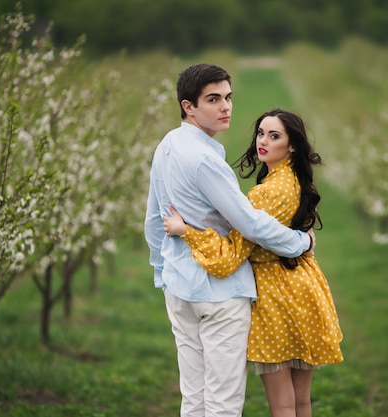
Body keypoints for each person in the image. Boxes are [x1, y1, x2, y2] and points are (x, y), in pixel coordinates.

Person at [143, 65, 314, 417]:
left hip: (179, 286)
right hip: (220, 292)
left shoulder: (167, 146)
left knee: (194, 397)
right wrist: (301, 243)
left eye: (228, 97)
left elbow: (154, 218)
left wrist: (162, 272)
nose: (226, 107)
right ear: (188, 106)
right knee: (222, 403)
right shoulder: (205, 159)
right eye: (213, 99)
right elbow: (251, 224)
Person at [163, 108, 344, 417]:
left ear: (292, 146)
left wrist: (187, 232)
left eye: (274, 136)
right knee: (302, 400)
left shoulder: (264, 194)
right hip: (306, 286)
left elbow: (229, 258)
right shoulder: (298, 181)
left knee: (283, 404)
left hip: (276, 297)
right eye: (261, 133)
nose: (263, 141)